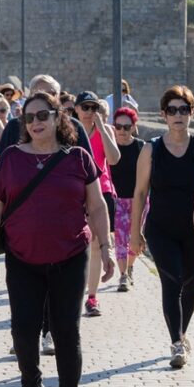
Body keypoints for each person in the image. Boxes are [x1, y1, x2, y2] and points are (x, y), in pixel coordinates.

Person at [0, 92, 112, 387]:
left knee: (66, 331)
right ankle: (31, 386)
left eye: (43, 115)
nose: (36, 122)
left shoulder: (78, 158)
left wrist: (108, 246)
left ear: (59, 117)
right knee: (22, 331)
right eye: (29, 118)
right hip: (22, 257)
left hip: (70, 256)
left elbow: (98, 206)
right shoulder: (10, 159)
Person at [129, 85, 194, 369]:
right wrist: (134, 233)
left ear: (191, 113)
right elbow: (139, 193)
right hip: (160, 228)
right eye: (172, 110)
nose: (178, 115)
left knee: (189, 282)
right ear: (163, 115)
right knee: (171, 279)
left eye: (183, 110)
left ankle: (182, 333)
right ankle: (176, 343)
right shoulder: (151, 150)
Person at [72, 91, 120, 317]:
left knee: (96, 244)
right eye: (85, 107)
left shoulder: (105, 130)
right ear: (77, 109)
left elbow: (114, 159)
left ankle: (92, 297)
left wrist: (102, 128)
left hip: (101, 192)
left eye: (94, 108)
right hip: (76, 194)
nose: (90, 112)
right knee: (78, 246)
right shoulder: (69, 131)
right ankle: (74, 292)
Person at [110, 106, 145, 291]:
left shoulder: (141, 147)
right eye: (118, 126)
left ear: (133, 127)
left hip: (139, 200)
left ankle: (130, 266)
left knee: (135, 238)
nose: (122, 131)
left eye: (127, 127)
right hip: (118, 201)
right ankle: (123, 275)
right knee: (120, 238)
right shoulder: (111, 147)